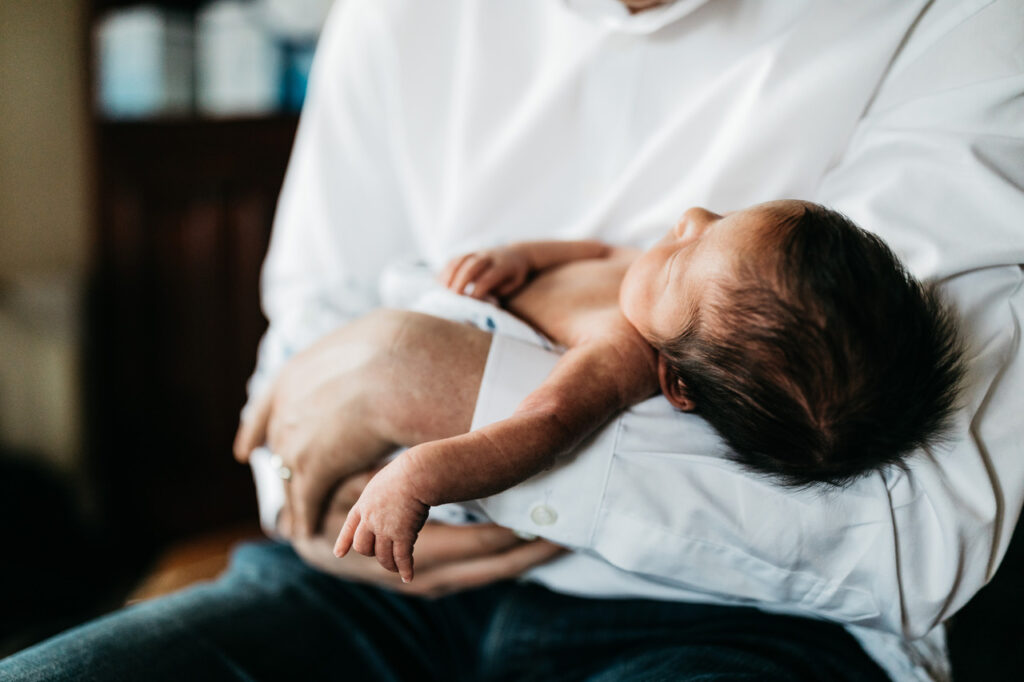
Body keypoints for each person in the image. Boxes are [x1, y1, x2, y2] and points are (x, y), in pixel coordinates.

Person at [2, 0, 1021, 679]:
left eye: (694, 246)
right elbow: (303, 349)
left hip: (736, 629)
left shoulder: (959, 22)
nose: (689, 219)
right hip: (367, 583)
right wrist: (307, 489)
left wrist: (421, 400)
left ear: (673, 381)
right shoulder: (394, 17)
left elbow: (911, 527)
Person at [335, 200, 963, 582]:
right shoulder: (665, 289)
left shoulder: (621, 351)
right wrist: (521, 258)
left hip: (427, 346)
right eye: (722, 222)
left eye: (683, 254)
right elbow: (598, 251)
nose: (692, 217)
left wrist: (416, 478)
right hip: (416, 314)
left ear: (676, 383)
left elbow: (541, 426)